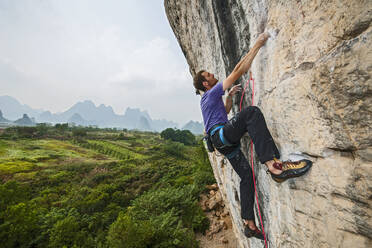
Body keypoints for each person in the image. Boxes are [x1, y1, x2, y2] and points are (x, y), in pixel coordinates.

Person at [193, 32, 312, 240]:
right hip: (221, 136)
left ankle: (249, 223)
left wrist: (229, 99)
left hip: (221, 142)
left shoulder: (207, 100)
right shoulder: (212, 92)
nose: (213, 75)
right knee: (251, 113)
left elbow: (221, 114)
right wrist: (257, 44)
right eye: (209, 75)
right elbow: (239, 70)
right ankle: (273, 165)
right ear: (206, 84)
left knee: (247, 177)